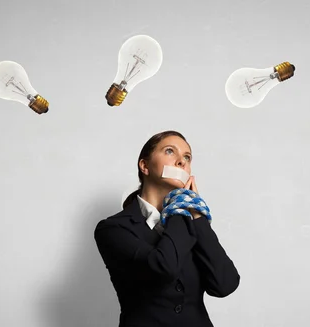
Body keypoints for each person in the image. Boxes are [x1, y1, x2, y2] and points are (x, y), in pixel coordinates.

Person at [94, 130, 240, 327]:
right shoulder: (113, 229)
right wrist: (180, 207)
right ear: (144, 166)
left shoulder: (191, 223)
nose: (182, 162)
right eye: (170, 151)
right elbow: (163, 268)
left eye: (187, 157)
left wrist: (196, 215)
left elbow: (225, 284)